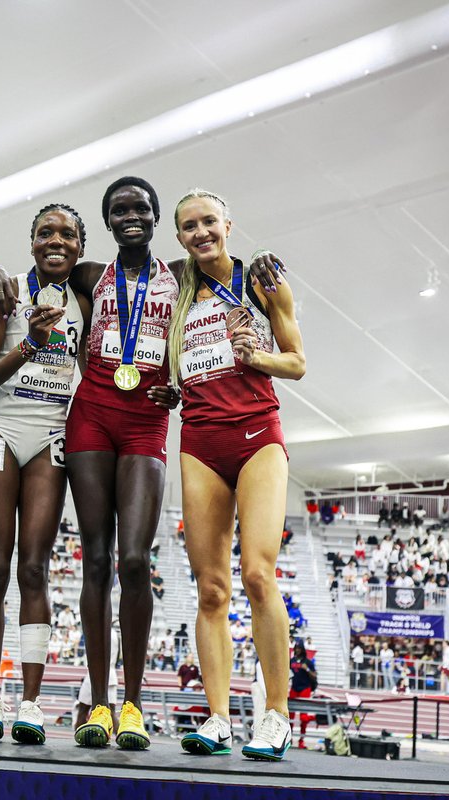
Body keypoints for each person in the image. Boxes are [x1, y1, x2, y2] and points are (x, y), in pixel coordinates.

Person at [0, 178, 284, 751]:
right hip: (91, 417)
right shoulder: (90, 274)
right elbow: (44, 259)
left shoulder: (178, 273)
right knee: (95, 558)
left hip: (147, 421)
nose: (131, 217)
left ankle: (134, 705)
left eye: (141, 208)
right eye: (119, 210)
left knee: (134, 559)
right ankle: (98, 701)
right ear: (108, 219)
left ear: (155, 218)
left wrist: (260, 257)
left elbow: (221, 258)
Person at [167, 189, 304, 762]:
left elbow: (296, 361)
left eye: (208, 222)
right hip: (199, 440)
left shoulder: (262, 279)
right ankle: (219, 717)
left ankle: (276, 715)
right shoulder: (174, 289)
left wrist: (255, 358)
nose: (200, 232)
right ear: (178, 238)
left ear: (228, 224)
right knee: (211, 589)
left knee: (256, 575)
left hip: (256, 436)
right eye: (188, 226)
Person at [0, 204, 87, 746]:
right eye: (45, 233)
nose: (55, 241)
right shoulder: (6, 292)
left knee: (35, 569)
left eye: (67, 235)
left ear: (81, 247)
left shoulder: (86, 301)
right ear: (31, 241)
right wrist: (32, 346)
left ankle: (32, 705)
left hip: (51, 437)